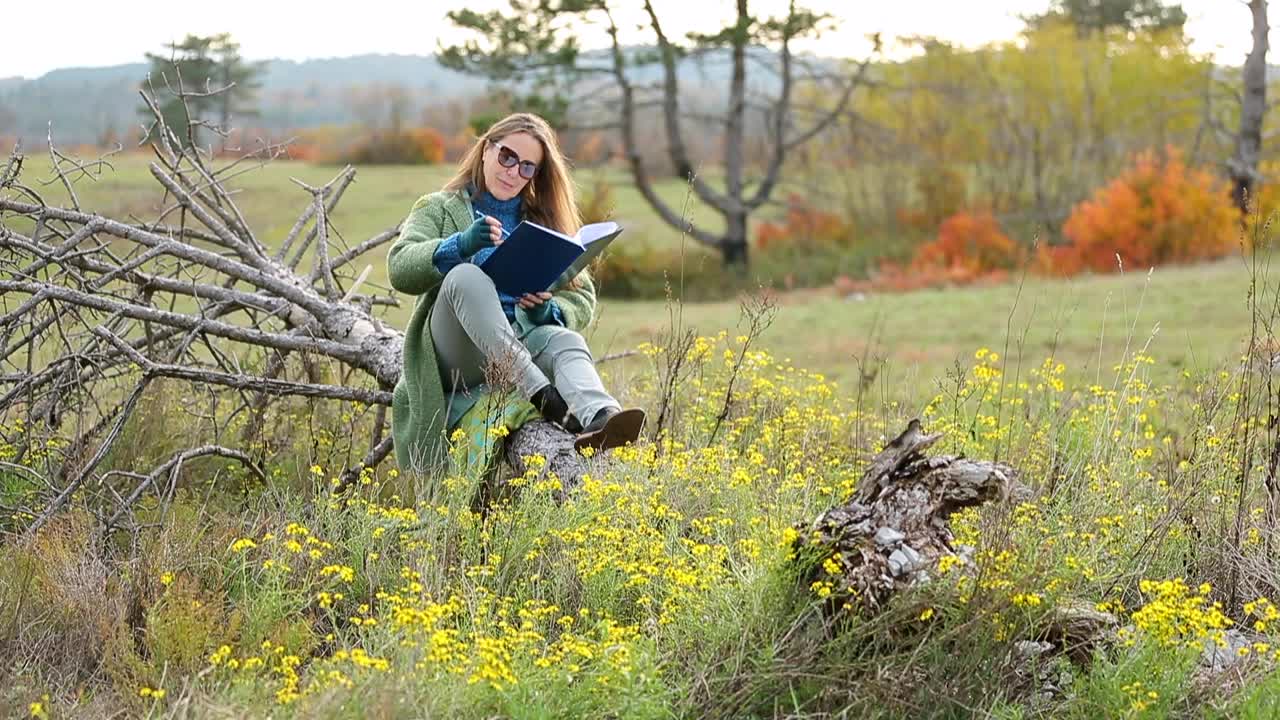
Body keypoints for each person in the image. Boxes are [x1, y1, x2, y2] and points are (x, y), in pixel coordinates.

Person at [387, 112, 644, 473]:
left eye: (527, 167)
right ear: (486, 150)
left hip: (517, 343)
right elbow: (399, 268)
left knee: (562, 338)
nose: (513, 172)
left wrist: (548, 312)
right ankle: (543, 396)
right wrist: (458, 244)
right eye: (507, 157)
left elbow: (581, 296)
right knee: (466, 277)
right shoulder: (439, 207)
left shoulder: (540, 222)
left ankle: (600, 418)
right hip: (458, 356)